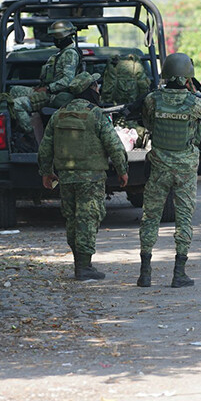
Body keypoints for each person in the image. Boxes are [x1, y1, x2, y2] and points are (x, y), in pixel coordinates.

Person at [137, 53, 201, 288]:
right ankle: (179, 273)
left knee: (150, 217)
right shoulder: (195, 103)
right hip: (184, 168)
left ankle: (145, 273)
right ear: (187, 77)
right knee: (183, 219)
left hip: (159, 165)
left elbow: (148, 123)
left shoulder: (152, 99)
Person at [38, 72, 128, 280]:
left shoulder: (59, 114)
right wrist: (122, 170)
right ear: (89, 90)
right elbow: (114, 145)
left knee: (72, 219)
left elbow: (45, 148)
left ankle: (79, 263)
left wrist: (46, 172)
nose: (98, 90)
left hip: (66, 178)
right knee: (88, 219)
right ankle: (84, 267)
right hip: (92, 178)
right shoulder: (96, 114)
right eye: (96, 87)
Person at [12, 20, 81, 135]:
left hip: (54, 95)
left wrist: (47, 89)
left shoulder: (70, 54)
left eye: (55, 36)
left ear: (61, 38)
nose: (53, 40)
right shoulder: (62, 54)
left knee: (16, 104)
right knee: (14, 90)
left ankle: (31, 134)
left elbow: (67, 81)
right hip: (49, 91)